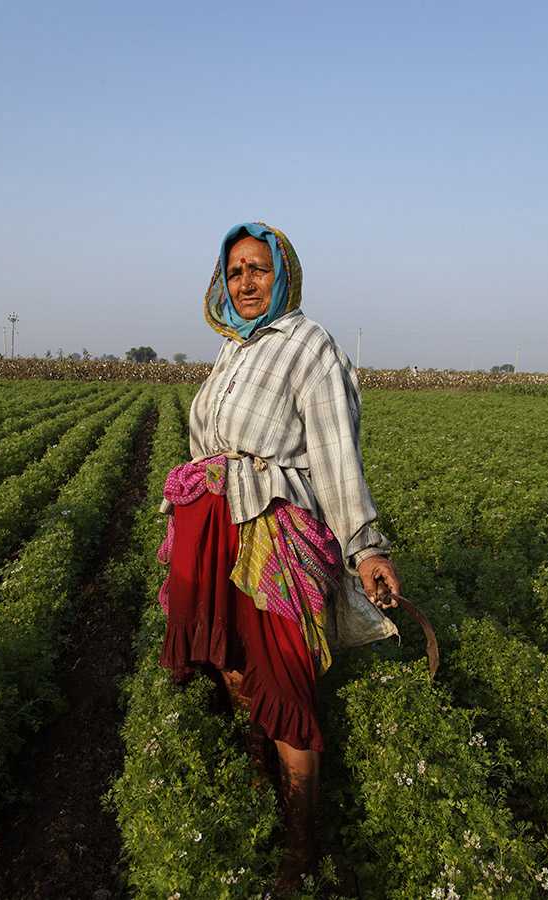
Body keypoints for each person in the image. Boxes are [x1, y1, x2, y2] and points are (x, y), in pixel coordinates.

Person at [157, 221, 401, 894]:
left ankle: (303, 844)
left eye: (258, 268)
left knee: (286, 677)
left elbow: (335, 453)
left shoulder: (308, 345)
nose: (245, 281)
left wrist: (365, 546)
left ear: (283, 274)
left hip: (273, 530)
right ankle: (260, 771)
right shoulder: (230, 350)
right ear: (222, 282)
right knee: (236, 665)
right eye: (235, 270)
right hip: (214, 529)